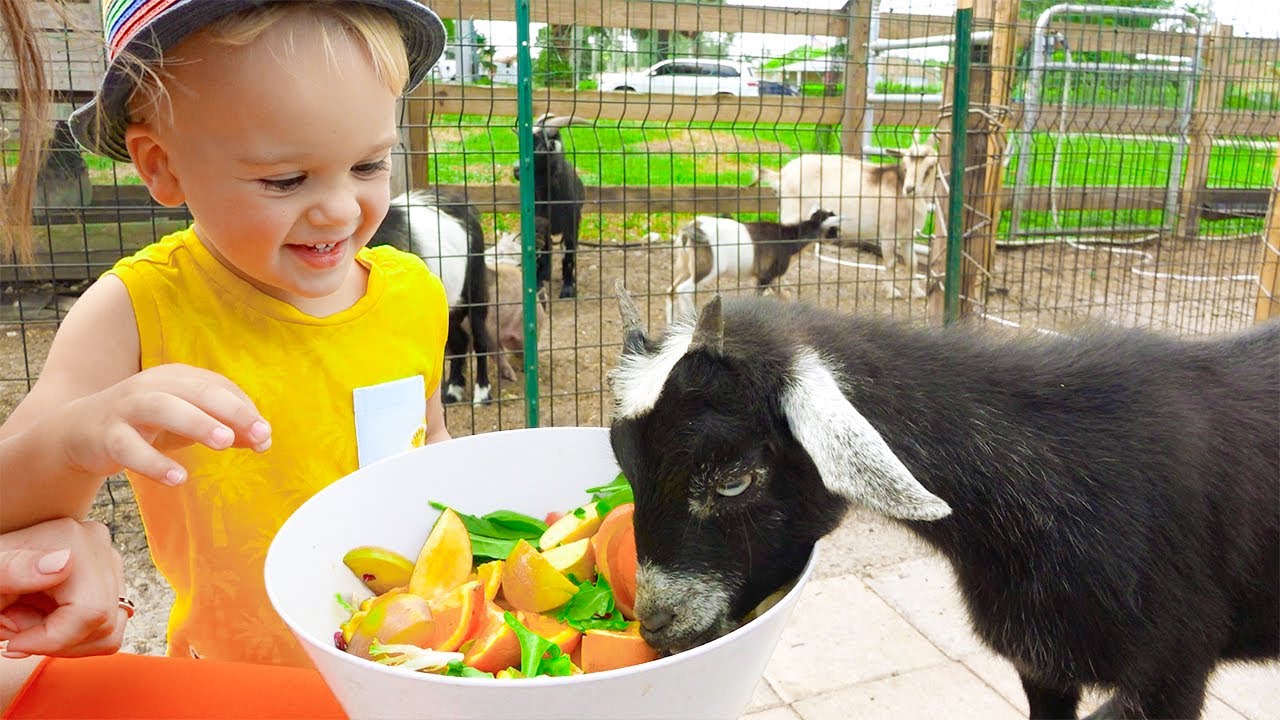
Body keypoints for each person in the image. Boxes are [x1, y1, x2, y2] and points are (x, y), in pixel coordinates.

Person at [0, 0, 454, 671]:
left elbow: (429, 441)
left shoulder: (413, 292)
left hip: (412, 662)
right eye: (286, 179)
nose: (340, 207)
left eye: (368, 166)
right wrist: (81, 435)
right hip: (235, 678)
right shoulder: (135, 309)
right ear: (161, 167)